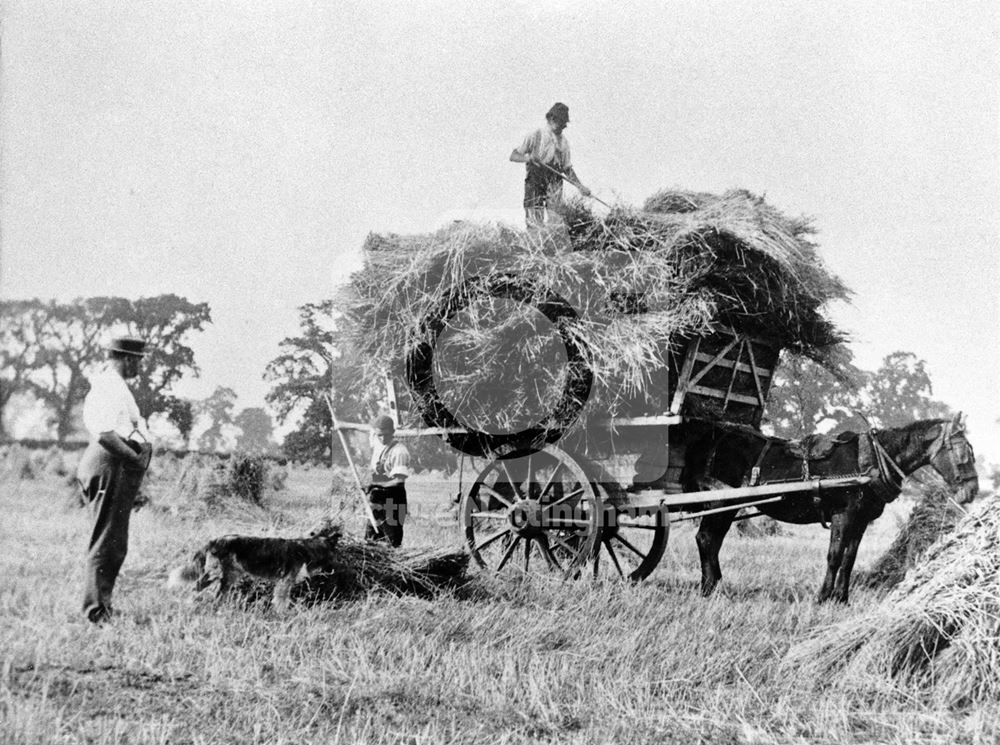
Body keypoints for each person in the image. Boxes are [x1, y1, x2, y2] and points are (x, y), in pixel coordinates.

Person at [76, 336, 153, 624]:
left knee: (114, 540)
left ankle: (101, 604)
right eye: (139, 360)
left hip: (114, 464)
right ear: (128, 359)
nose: (140, 367)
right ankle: (96, 611)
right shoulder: (109, 386)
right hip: (111, 464)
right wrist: (134, 458)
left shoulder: (114, 385)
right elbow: (105, 433)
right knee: (107, 540)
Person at [510, 101, 592, 227]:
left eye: (565, 123)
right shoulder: (536, 135)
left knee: (556, 221)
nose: (564, 126)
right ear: (552, 118)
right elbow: (514, 156)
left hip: (554, 183)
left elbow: (567, 169)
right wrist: (529, 158)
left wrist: (580, 187)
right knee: (534, 222)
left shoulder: (564, 143)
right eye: (562, 122)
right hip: (535, 181)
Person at [365, 415, 410, 548]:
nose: (383, 438)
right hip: (377, 499)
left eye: (386, 435)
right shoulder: (377, 444)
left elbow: (399, 481)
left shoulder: (399, 451)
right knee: (370, 540)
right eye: (379, 435)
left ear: (393, 432)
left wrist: (375, 485)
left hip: (393, 500)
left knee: (391, 542)